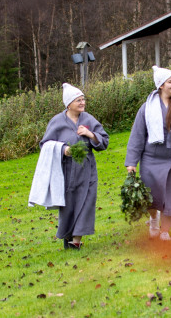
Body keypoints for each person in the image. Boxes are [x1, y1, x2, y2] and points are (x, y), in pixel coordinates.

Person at [125, 66, 171, 241]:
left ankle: (165, 231)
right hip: (152, 158)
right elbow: (137, 135)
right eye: (170, 82)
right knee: (151, 195)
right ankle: (153, 219)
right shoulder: (147, 108)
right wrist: (131, 162)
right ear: (161, 85)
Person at [39, 83, 109, 250]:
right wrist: (64, 150)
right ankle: (68, 235)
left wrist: (90, 134)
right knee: (69, 204)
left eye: (83, 99)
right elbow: (45, 144)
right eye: (78, 100)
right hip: (66, 171)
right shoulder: (56, 122)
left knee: (86, 202)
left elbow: (104, 141)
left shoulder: (88, 119)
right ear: (69, 104)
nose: (82, 102)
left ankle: (76, 241)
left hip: (87, 169)